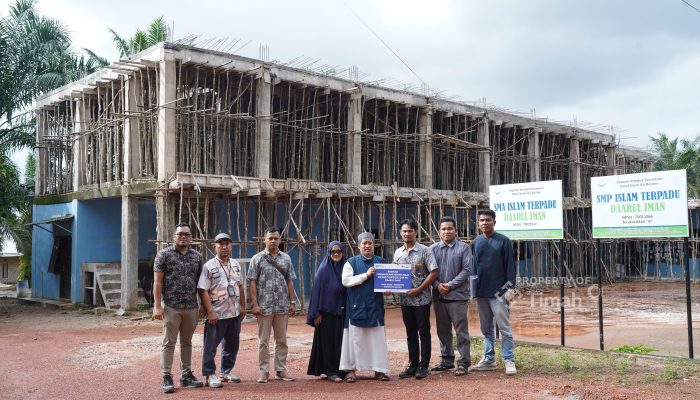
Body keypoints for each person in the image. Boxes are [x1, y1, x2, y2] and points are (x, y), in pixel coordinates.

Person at [153, 223, 204, 393]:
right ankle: (167, 376)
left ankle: (186, 375)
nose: (183, 237)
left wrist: (203, 304)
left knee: (187, 342)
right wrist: (157, 306)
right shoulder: (164, 255)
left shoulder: (197, 257)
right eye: (180, 234)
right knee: (169, 342)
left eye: (187, 234)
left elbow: (201, 284)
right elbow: (158, 282)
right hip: (171, 307)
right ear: (174, 236)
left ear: (191, 238)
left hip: (191, 307)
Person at [248, 227, 298, 383]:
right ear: (264, 240)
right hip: (264, 306)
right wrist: (255, 304)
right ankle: (264, 371)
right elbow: (252, 282)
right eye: (270, 238)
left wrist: (292, 301)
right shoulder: (257, 259)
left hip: (282, 305)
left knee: (281, 340)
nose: (273, 241)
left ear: (280, 240)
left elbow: (290, 280)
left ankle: (281, 370)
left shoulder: (286, 259)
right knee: (263, 341)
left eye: (276, 238)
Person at [339, 232, 390, 383]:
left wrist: (387, 289)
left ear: (373, 245)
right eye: (364, 243)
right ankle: (350, 370)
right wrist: (366, 275)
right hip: (357, 307)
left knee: (377, 340)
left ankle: (379, 370)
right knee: (354, 340)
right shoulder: (351, 263)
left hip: (375, 308)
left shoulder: (380, 261)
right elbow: (346, 281)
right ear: (358, 246)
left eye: (370, 243)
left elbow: (386, 282)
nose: (367, 246)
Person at [471, 209, 517, 375]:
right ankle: (489, 358)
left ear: (494, 222)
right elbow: (474, 268)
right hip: (481, 293)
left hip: (499, 293)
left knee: (504, 327)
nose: (484, 223)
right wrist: (472, 290)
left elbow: (510, 266)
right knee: (486, 328)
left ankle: (509, 360)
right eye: (482, 220)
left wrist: (511, 288)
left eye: (488, 220)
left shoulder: (504, 241)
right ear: (478, 223)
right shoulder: (476, 242)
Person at [198, 233, 246, 388]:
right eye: (221, 244)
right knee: (210, 346)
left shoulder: (236, 265)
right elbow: (202, 290)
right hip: (217, 314)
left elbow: (240, 286)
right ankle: (209, 374)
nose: (224, 247)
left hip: (234, 313)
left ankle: (225, 372)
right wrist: (210, 311)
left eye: (227, 244)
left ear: (231, 246)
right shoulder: (208, 266)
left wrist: (243, 306)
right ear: (215, 246)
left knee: (232, 345)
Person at [393, 219, 438, 380]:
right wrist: (388, 285)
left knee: (423, 332)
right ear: (400, 232)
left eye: (410, 231)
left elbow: (434, 273)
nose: (407, 234)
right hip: (405, 301)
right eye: (404, 231)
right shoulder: (398, 253)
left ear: (416, 232)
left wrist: (419, 289)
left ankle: (424, 365)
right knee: (410, 333)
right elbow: (394, 274)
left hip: (422, 300)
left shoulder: (425, 251)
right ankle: (413, 365)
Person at [429, 216, 473, 376]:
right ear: (439, 231)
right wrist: (437, 285)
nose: (446, 231)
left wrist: (449, 285)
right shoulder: (432, 249)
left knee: (461, 331)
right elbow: (429, 271)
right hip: (439, 297)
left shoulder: (464, 248)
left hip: (457, 297)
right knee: (443, 330)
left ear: (456, 230)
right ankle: (447, 360)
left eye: (450, 228)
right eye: (443, 229)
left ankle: (463, 363)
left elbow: (467, 270)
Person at [306, 241, 347, 382]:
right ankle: (330, 371)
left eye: (338, 252)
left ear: (343, 252)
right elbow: (316, 293)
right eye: (332, 252)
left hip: (343, 313)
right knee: (329, 343)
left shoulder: (347, 268)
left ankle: (341, 370)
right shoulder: (323, 270)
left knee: (341, 342)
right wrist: (316, 313)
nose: (335, 254)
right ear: (328, 253)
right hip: (326, 314)